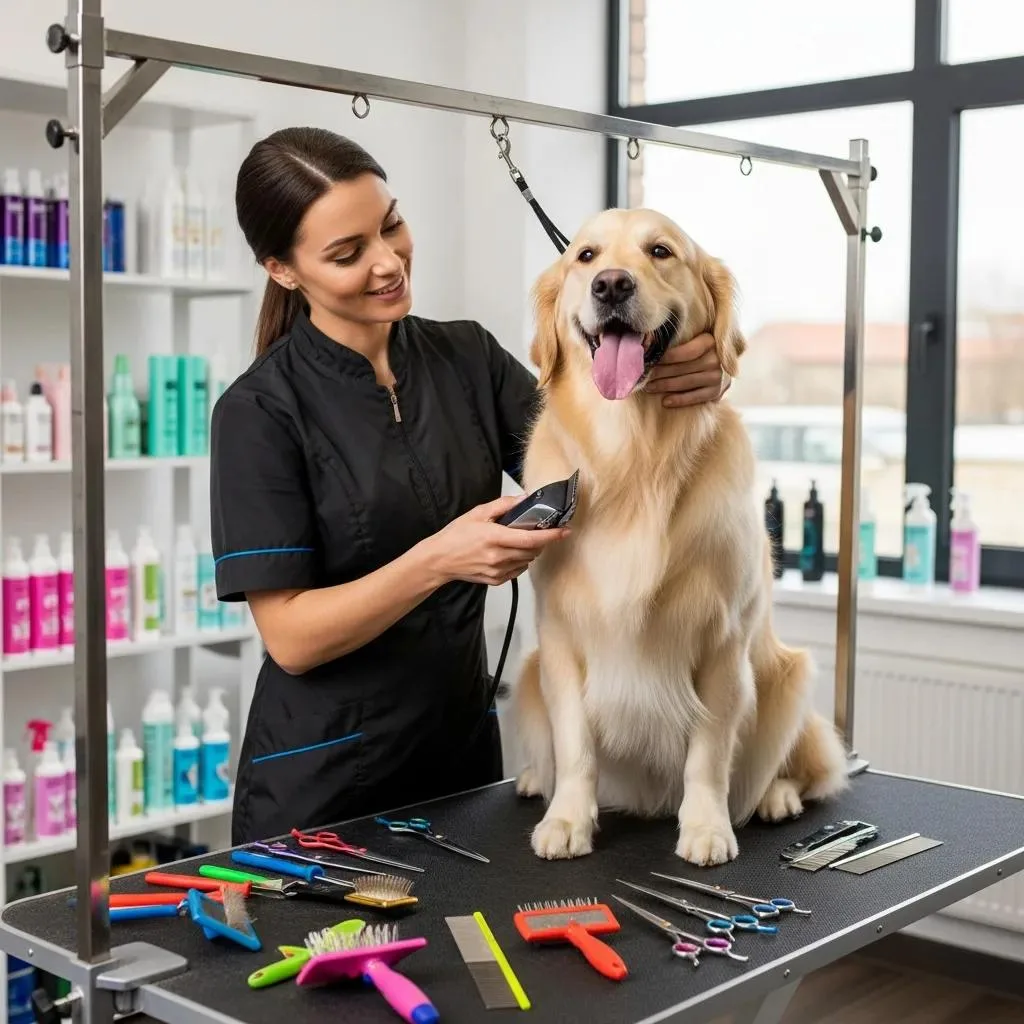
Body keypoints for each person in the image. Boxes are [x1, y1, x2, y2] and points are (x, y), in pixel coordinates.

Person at [211, 126, 733, 845]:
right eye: (347, 253)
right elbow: (292, 638)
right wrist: (440, 560)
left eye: (390, 224)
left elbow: (601, 460)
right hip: (324, 789)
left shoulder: (466, 358)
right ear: (283, 269)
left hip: (460, 762)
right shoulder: (258, 412)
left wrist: (695, 358)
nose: (388, 261)